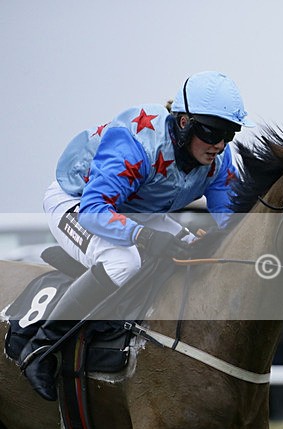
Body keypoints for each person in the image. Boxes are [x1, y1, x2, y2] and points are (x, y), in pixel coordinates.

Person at [22, 71, 253, 400]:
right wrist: (144, 238)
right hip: (80, 201)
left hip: (132, 209)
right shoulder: (136, 142)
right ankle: (40, 347)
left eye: (229, 133)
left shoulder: (218, 160)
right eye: (213, 131)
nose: (219, 143)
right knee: (123, 261)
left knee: (189, 250)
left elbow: (231, 221)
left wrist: (217, 240)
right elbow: (94, 209)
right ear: (184, 122)